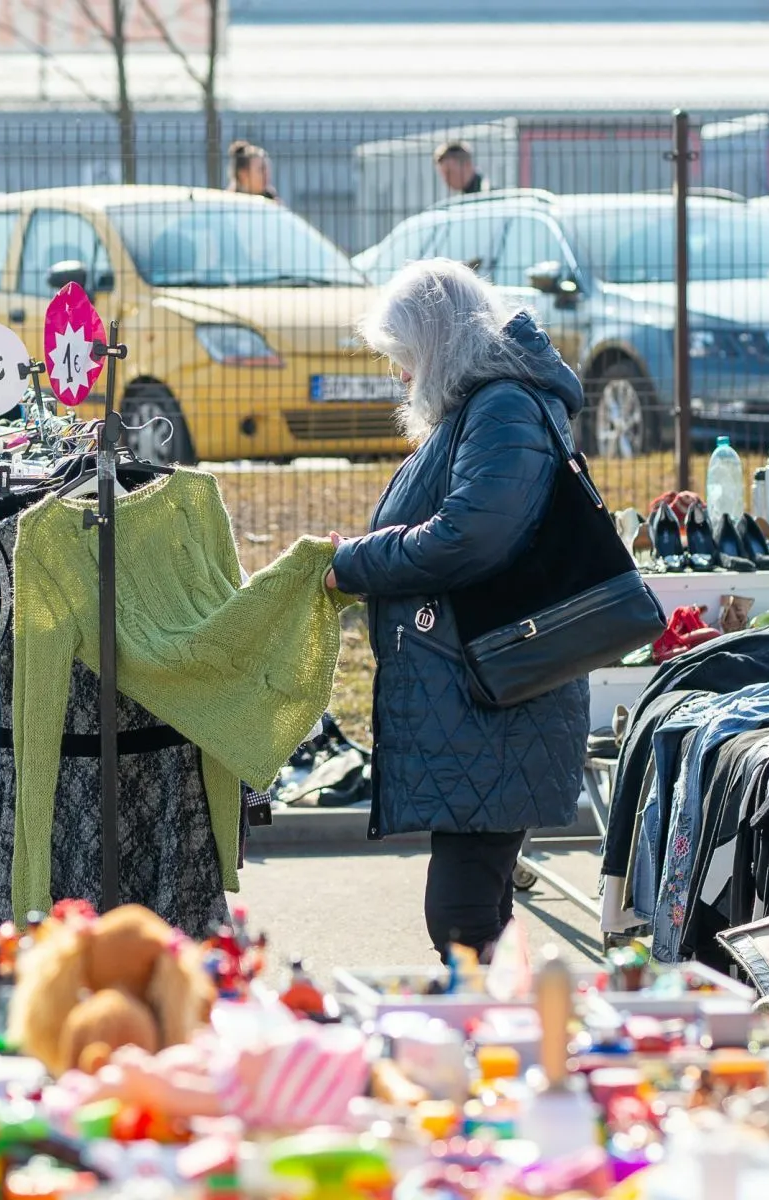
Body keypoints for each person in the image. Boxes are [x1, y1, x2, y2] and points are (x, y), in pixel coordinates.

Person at [322, 259, 587, 963]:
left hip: (494, 695)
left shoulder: (500, 408)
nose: (401, 377)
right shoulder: (493, 406)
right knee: (477, 910)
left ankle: (496, 1056)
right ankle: (508, 1048)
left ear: (437, 344)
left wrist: (354, 562)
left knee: (463, 919)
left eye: (405, 357)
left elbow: (472, 535)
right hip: (485, 692)